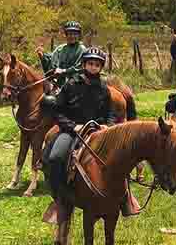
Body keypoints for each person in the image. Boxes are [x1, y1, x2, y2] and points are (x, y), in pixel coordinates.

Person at [43, 47, 117, 204]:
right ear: (84, 65)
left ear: (101, 67)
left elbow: (110, 112)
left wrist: (108, 126)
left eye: (97, 65)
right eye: (90, 63)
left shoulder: (104, 88)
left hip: (98, 132)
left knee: (120, 157)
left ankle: (124, 198)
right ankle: (59, 198)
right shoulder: (71, 84)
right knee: (55, 157)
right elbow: (57, 112)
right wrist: (72, 126)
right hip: (72, 131)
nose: (93, 67)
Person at [37, 20, 90, 90]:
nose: (72, 36)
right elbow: (51, 64)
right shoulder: (60, 48)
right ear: (66, 34)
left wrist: (63, 71)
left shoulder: (82, 49)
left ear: (79, 35)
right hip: (58, 82)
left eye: (75, 34)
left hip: (75, 83)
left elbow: (80, 68)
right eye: (70, 34)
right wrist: (43, 56)